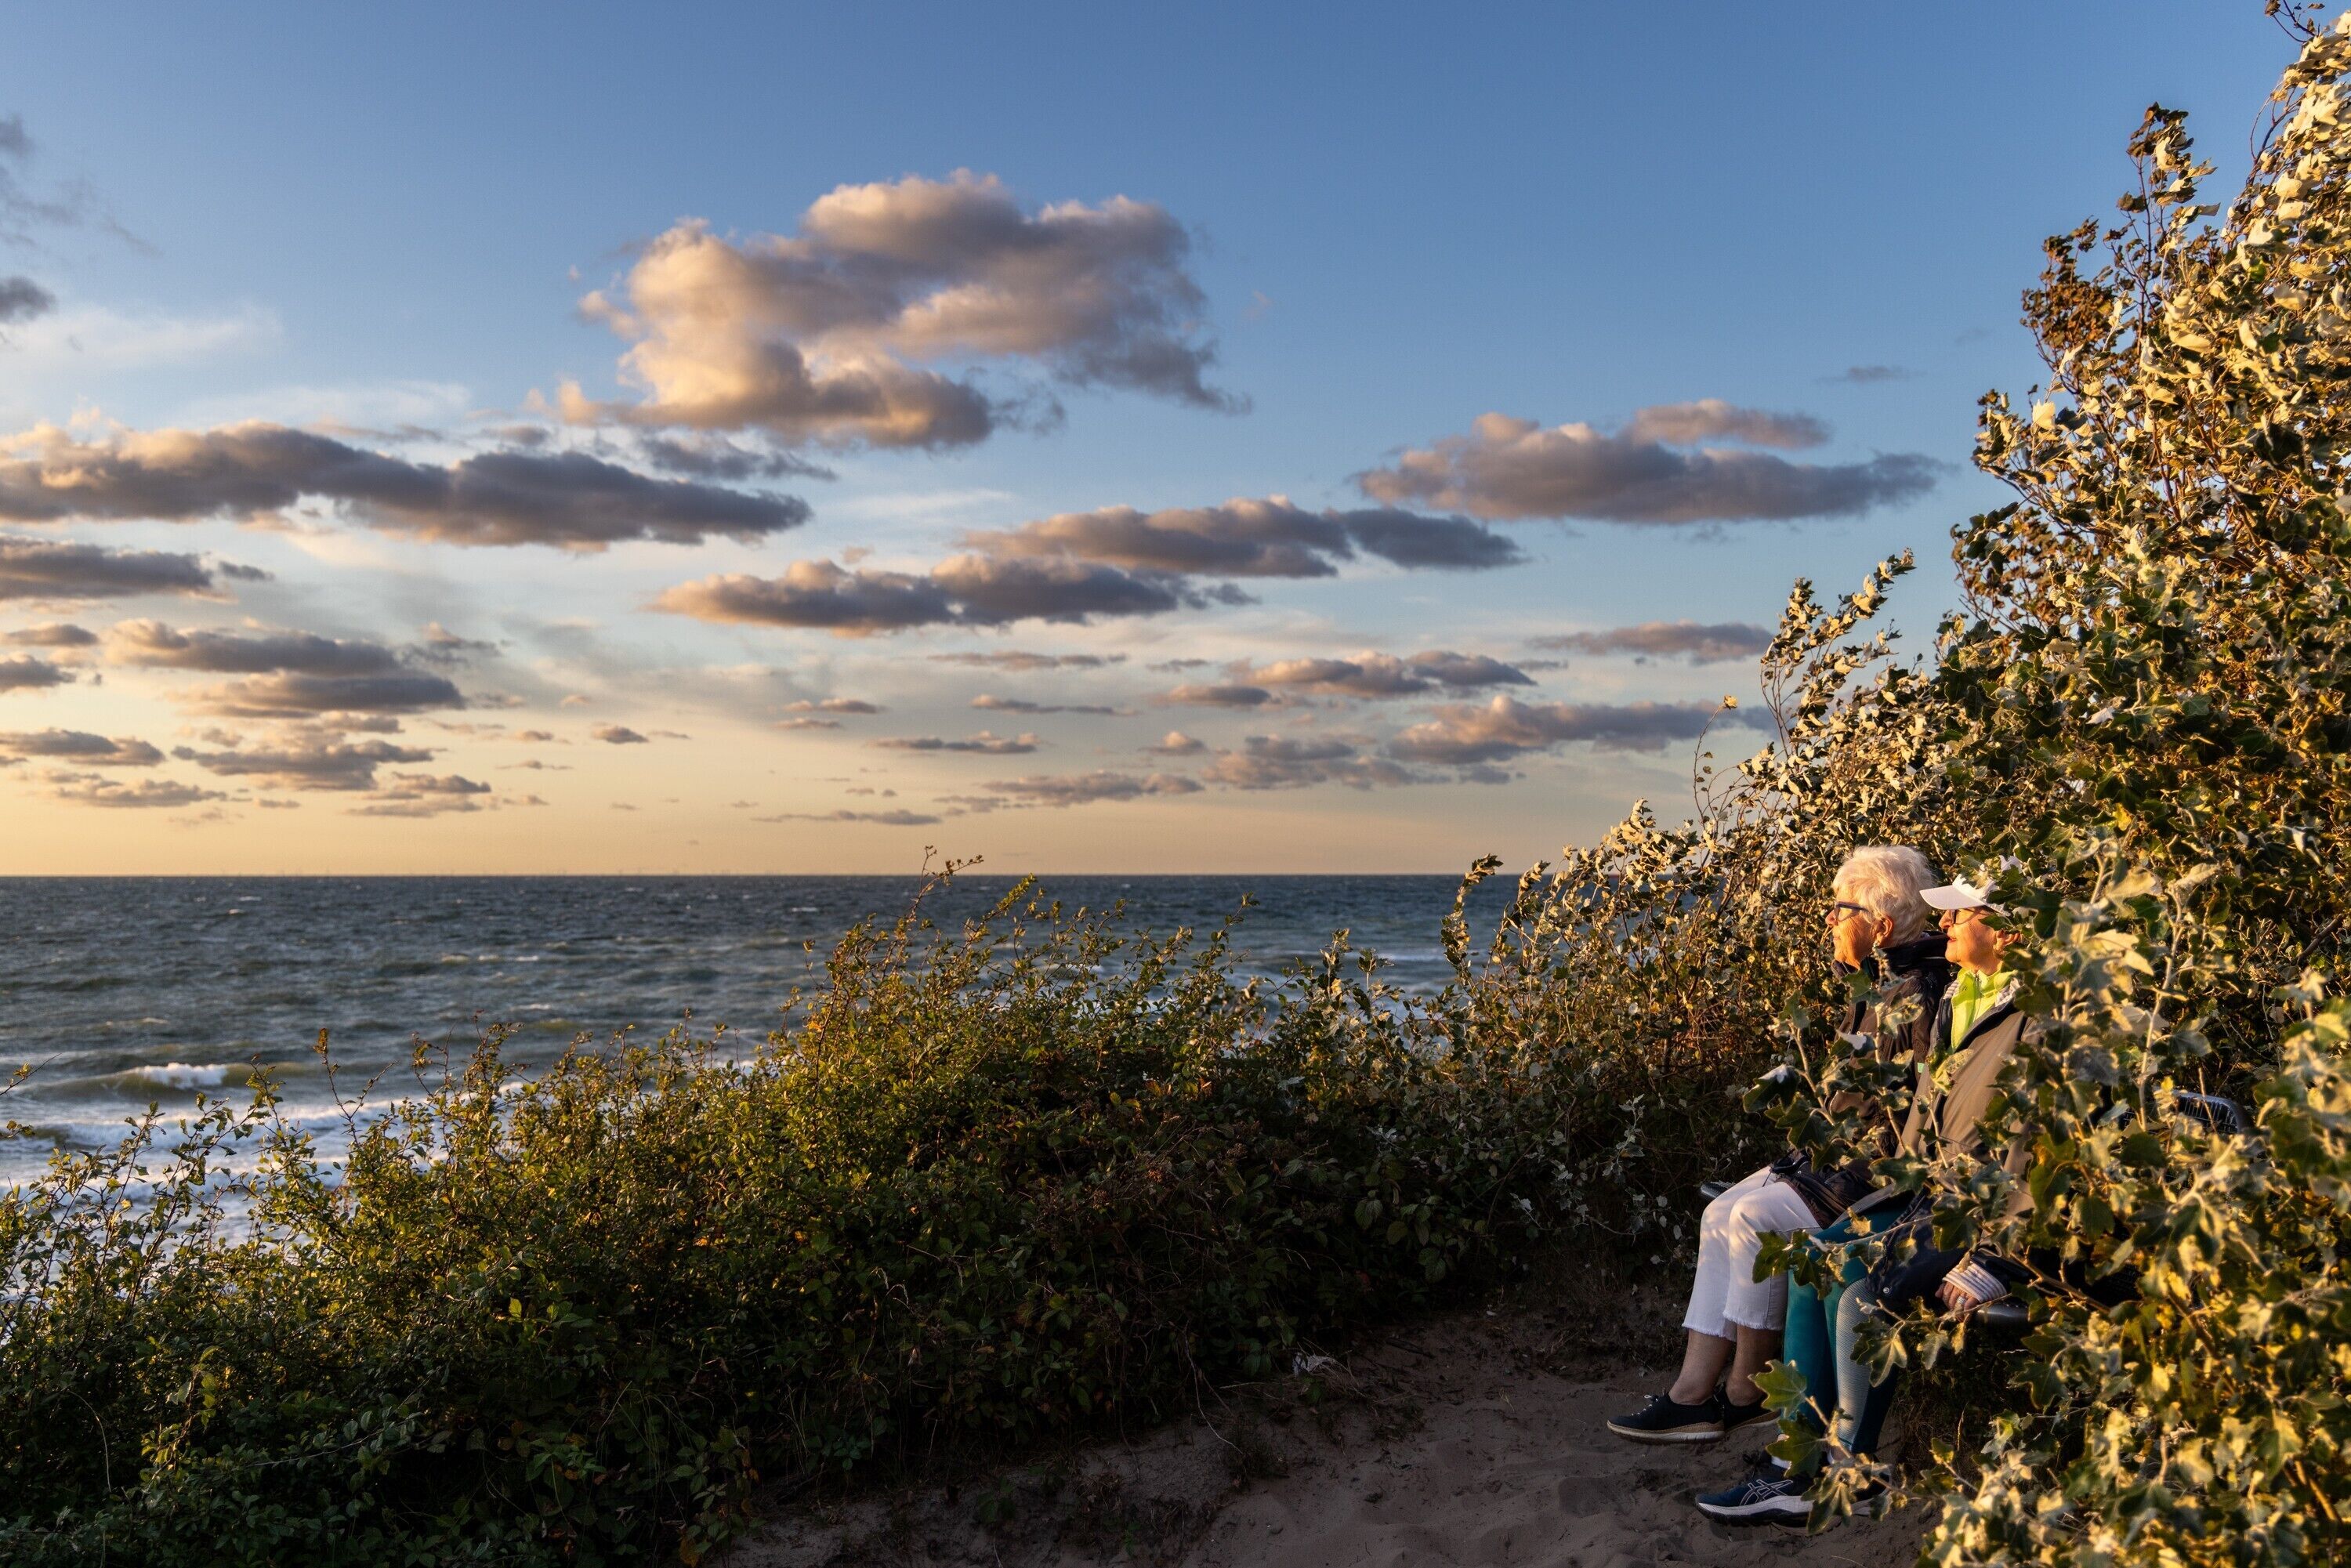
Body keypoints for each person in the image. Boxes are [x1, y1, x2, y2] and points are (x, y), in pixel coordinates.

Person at [1697, 874, 2030, 1523]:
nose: (1948, 924)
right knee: (1812, 1258)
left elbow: (2031, 1141)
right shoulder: (1964, 995)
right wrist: (1885, 1195)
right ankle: (1796, 1460)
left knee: (1860, 1294)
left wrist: (1993, 1254)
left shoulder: (2032, 1015)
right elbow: (1925, 1115)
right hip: (1925, 1192)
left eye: (1965, 913)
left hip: (1974, 1211)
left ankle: (1855, 1473)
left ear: (2009, 931)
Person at [1607, 846, 1948, 1445]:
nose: (1829, 921)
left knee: (1753, 1217)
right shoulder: (1877, 983)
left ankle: (1745, 1391)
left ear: (1882, 925)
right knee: (1719, 1212)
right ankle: (1692, 1395)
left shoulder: (1916, 992)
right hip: (1832, 1161)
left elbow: (1906, 1122)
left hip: (1870, 1176)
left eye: (1840, 909)